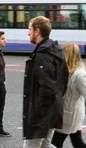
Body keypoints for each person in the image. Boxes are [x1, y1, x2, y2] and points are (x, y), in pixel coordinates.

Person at [23, 16, 69, 148]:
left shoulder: (43, 55)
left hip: (43, 112)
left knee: (31, 145)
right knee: (45, 144)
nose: (28, 32)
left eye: (29, 29)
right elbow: (64, 80)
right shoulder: (55, 50)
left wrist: (39, 111)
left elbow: (47, 87)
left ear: (37, 31)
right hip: (53, 109)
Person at [52, 42, 86, 148]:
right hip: (71, 113)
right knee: (77, 142)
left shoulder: (79, 75)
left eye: (63, 52)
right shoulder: (68, 69)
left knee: (55, 143)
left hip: (70, 115)